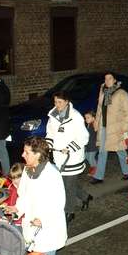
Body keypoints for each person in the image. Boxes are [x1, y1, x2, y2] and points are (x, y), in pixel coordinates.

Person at [4, 137, 74, 255]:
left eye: (26, 152)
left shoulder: (52, 175)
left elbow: (58, 203)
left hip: (48, 229)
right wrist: (17, 208)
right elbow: (24, 196)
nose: (22, 154)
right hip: (32, 228)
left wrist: (43, 219)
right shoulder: (28, 170)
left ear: (37, 154)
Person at [45, 91, 91, 223]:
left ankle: (69, 211)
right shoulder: (53, 116)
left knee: (68, 186)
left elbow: (84, 137)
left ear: (66, 102)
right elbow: (50, 133)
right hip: (59, 157)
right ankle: (85, 197)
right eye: (55, 102)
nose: (57, 105)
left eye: (59, 102)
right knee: (65, 184)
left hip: (72, 157)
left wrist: (69, 148)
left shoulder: (76, 117)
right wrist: (48, 145)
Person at [92, 72, 128, 184]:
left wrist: (125, 128)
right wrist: (96, 121)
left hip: (116, 128)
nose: (107, 81)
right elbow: (100, 108)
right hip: (104, 127)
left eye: (110, 78)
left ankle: (127, 171)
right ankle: (98, 176)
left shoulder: (121, 94)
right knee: (102, 151)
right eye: (105, 79)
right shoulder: (104, 93)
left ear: (115, 80)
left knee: (120, 150)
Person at [0, 162, 24, 228]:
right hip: (11, 210)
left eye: (17, 182)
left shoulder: (24, 191)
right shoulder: (13, 185)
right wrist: (3, 203)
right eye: (12, 179)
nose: (14, 183)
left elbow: (19, 206)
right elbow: (10, 194)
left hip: (19, 218)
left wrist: (5, 204)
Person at [84, 111, 98, 176]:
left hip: (93, 145)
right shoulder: (88, 125)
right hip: (88, 145)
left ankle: (95, 169)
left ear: (93, 118)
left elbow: (97, 130)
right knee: (86, 156)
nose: (86, 119)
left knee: (91, 158)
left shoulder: (94, 124)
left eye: (88, 117)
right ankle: (94, 166)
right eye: (85, 118)